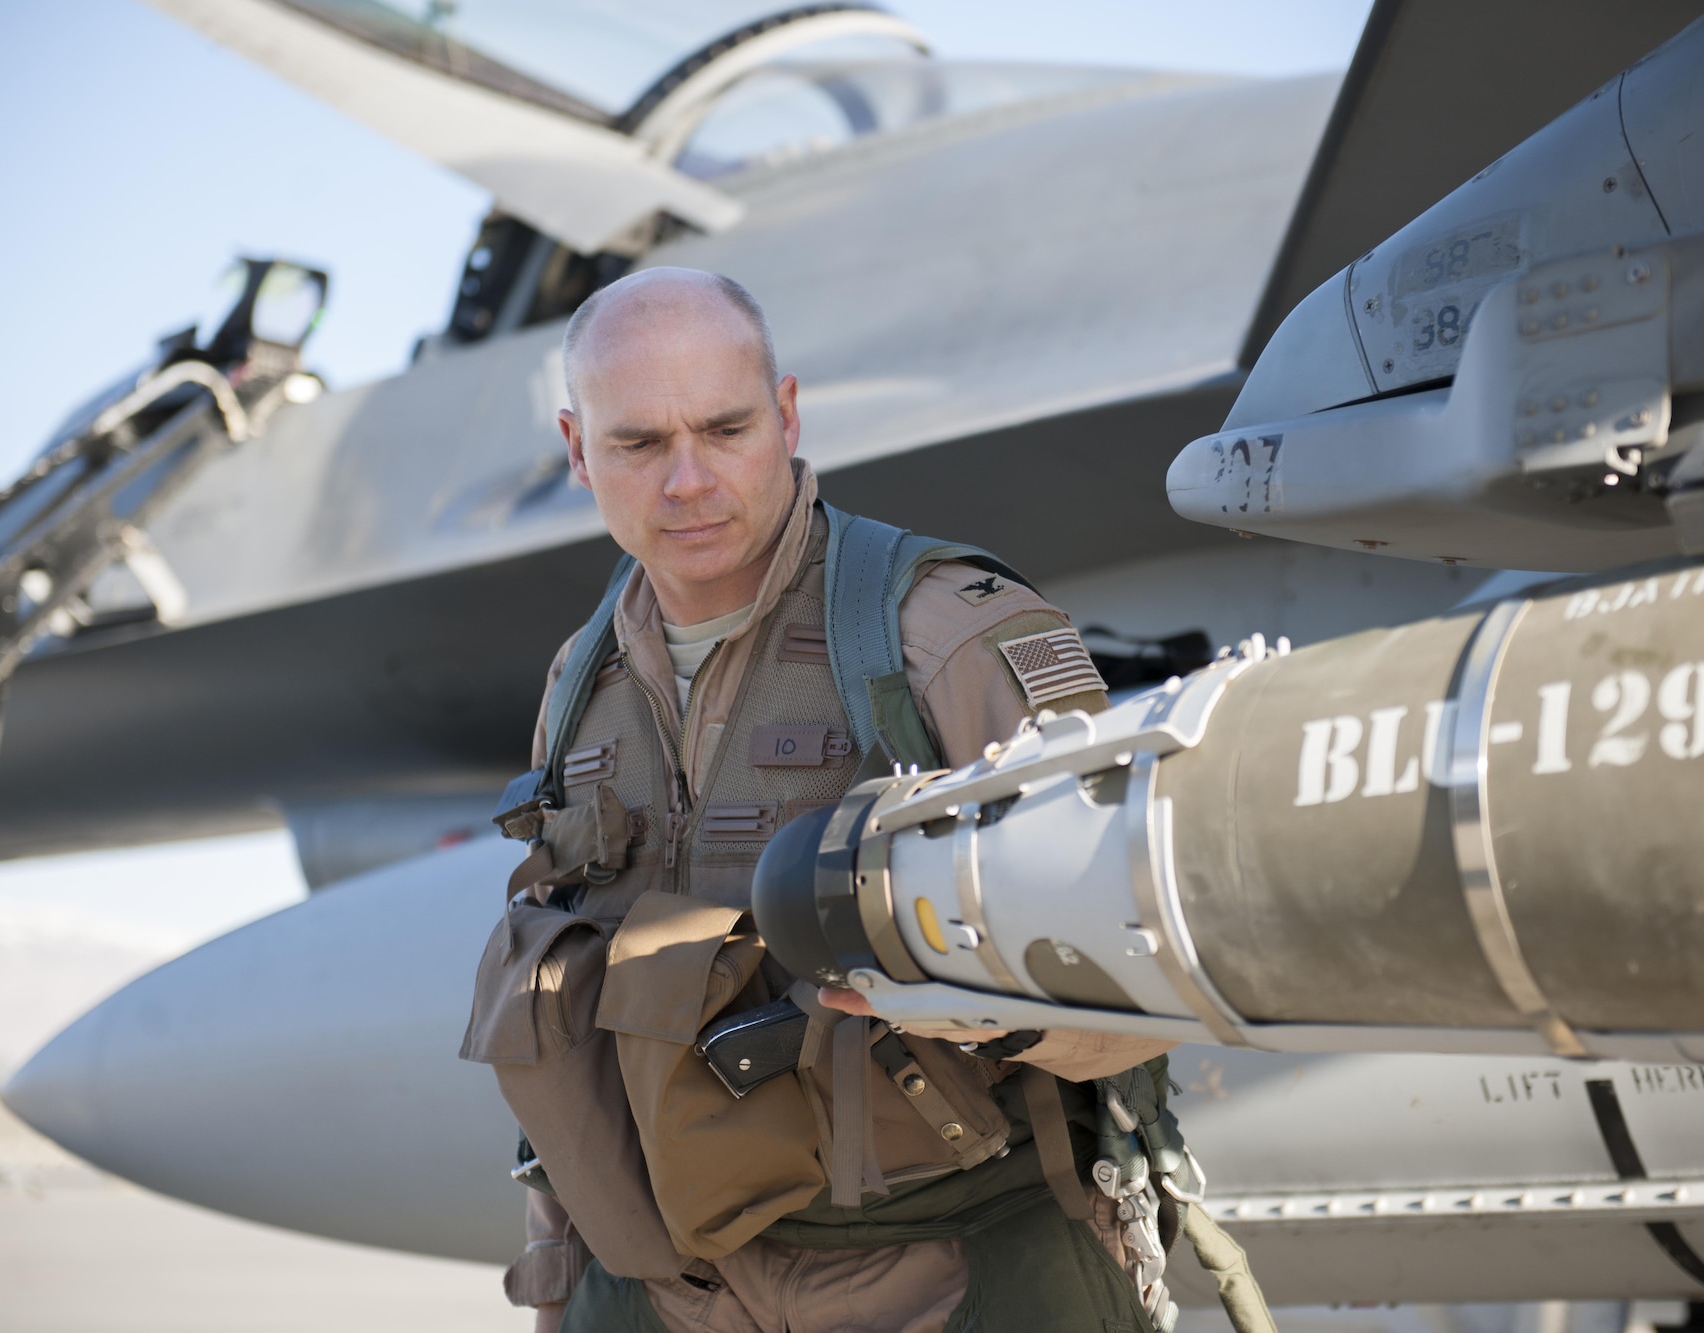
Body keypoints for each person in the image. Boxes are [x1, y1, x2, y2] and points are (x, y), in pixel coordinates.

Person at [484, 267, 1191, 1333]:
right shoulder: (579, 685)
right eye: (637, 444)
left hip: (944, 1269)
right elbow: (565, 1006)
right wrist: (559, 1286)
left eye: (724, 428)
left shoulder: (942, 634)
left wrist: (967, 998)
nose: (687, 480)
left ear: (785, 414)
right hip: (663, 1285)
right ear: (578, 450)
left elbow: (1153, 977)